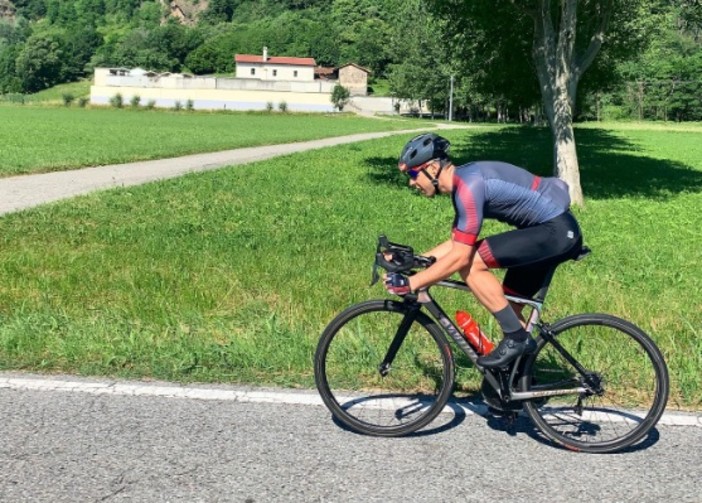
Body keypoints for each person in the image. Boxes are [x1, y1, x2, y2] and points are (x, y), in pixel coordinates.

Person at [384, 133, 583, 368]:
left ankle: (517, 340)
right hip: (548, 232)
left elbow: (460, 256)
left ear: (434, 167)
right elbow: (456, 243)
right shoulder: (464, 183)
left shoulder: (469, 187)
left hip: (555, 232)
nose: (411, 182)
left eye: (414, 174)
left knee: (471, 263)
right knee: (509, 309)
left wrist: (413, 283)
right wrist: (414, 260)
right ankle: (518, 382)